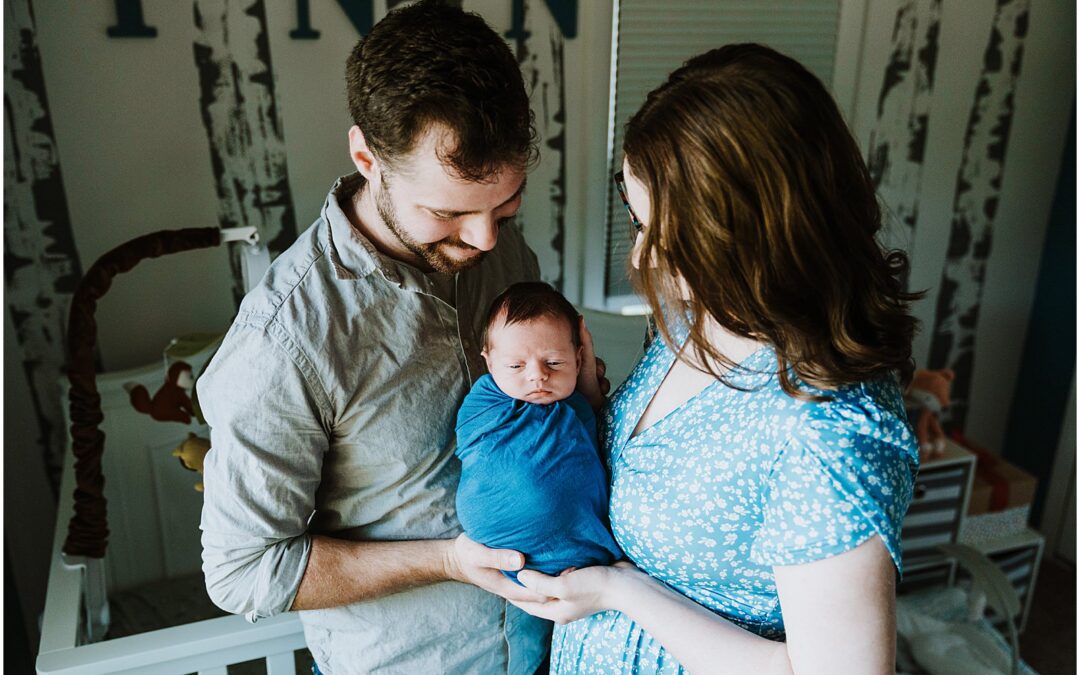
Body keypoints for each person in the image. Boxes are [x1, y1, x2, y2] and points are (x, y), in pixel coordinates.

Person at [196, 3, 600, 673]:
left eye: (505, 207)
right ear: (366, 157)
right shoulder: (282, 343)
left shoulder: (498, 251)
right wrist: (446, 559)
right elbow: (243, 571)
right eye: (448, 213)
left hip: (557, 645)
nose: (485, 240)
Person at [509, 44, 922, 674]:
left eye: (664, 235)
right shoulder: (697, 313)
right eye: (636, 220)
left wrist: (621, 591)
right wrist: (590, 409)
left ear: (747, 235)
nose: (643, 258)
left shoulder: (828, 429)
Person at [455, 282, 622, 582]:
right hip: (501, 548)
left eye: (555, 362)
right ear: (490, 364)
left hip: (578, 552)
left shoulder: (577, 408)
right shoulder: (484, 403)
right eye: (516, 365)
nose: (537, 375)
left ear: (579, 359)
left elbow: (593, 437)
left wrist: (587, 390)